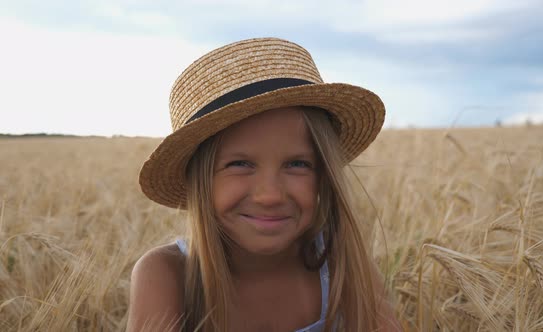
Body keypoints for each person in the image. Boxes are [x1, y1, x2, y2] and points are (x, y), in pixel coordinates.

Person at [127, 37, 401, 332]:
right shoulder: (168, 275)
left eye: (297, 164)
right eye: (240, 164)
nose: (270, 196)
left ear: (324, 175)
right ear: (200, 182)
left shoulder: (341, 264)